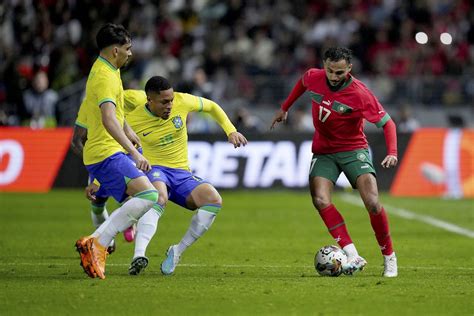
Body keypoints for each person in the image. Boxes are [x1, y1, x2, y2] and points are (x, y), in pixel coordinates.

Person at [271, 47, 398, 277]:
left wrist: (392, 152)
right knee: (320, 199)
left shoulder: (360, 94)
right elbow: (302, 83)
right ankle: (352, 254)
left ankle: (389, 256)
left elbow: (388, 124)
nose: (334, 76)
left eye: (339, 72)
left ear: (349, 69)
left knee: (371, 201)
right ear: (324, 65)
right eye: (330, 70)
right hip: (324, 151)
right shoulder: (314, 76)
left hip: (353, 150)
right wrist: (285, 108)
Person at [111, 76, 247, 275]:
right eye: (164, 102)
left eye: (171, 100)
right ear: (149, 100)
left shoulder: (182, 102)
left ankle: (177, 251)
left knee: (213, 200)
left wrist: (230, 131)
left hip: (182, 173)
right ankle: (138, 255)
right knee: (158, 197)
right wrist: (97, 181)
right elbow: (114, 149)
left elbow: (212, 106)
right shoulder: (133, 121)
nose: (170, 105)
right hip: (155, 169)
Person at [74, 23, 158, 280]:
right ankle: (97, 242)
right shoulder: (105, 76)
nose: (130, 53)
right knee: (149, 195)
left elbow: (115, 114)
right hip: (106, 153)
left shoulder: (107, 70)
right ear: (114, 50)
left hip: (105, 152)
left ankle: (98, 242)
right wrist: (133, 152)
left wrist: (131, 133)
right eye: (127, 48)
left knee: (141, 197)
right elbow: (108, 120)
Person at [71, 89, 151, 253]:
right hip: (102, 159)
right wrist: (94, 168)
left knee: (139, 195)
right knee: (97, 204)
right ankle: (110, 238)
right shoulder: (88, 105)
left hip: (128, 155)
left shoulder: (136, 98)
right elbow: (76, 141)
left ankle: (100, 241)